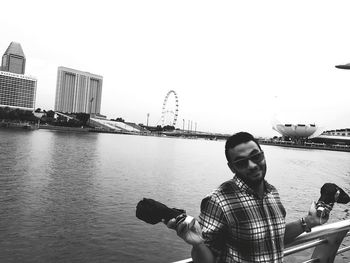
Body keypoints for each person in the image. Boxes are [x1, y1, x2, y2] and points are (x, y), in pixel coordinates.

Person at [167, 132, 329, 263]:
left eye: (256, 156)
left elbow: (274, 236)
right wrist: (198, 244)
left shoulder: (272, 193)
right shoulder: (219, 200)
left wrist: (308, 221)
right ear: (232, 167)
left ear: (263, 155)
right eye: (242, 162)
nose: (252, 165)